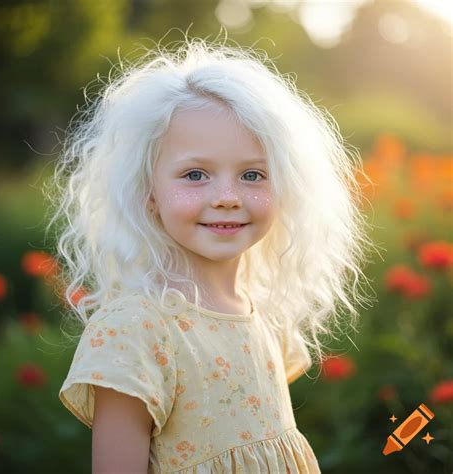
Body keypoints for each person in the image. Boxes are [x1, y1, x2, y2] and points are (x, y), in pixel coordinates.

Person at [49, 35, 375, 473]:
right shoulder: (138, 328)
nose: (226, 197)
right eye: (195, 174)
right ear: (148, 191)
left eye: (253, 174)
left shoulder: (262, 313)